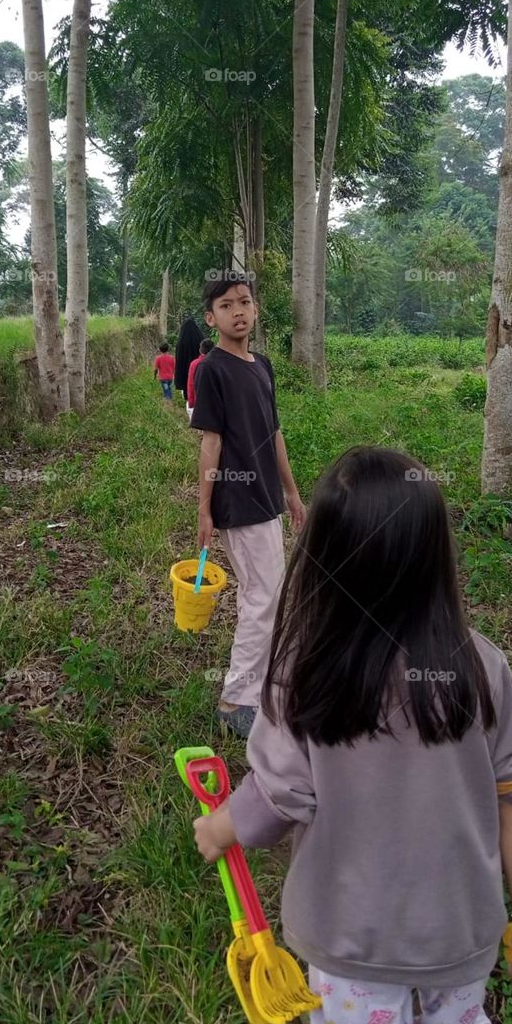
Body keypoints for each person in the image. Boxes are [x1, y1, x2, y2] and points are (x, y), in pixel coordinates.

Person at [192, 445, 512, 1024]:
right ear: (432, 558)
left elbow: (274, 801)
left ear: (323, 561)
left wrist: (217, 828)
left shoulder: (304, 671)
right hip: (459, 929)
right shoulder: (482, 667)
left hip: (351, 939)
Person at [190, 273, 306, 738]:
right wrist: (204, 507)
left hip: (266, 498)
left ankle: (259, 687)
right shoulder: (213, 368)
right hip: (238, 501)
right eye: (225, 305)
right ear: (211, 317)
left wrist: (292, 492)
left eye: (244, 302)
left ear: (256, 309)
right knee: (264, 598)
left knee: (265, 594)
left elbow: (273, 433)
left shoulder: (263, 365)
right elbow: (211, 442)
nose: (237, 311)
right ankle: (235, 700)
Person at [174, 316, 205, 402]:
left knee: (188, 391)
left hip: (186, 372)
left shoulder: (181, 342)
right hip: (199, 369)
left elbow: (179, 360)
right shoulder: (200, 338)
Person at [185, 338, 213, 422]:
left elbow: (191, 383)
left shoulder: (194, 364)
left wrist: (191, 402)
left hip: (199, 400)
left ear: (200, 350)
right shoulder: (218, 362)